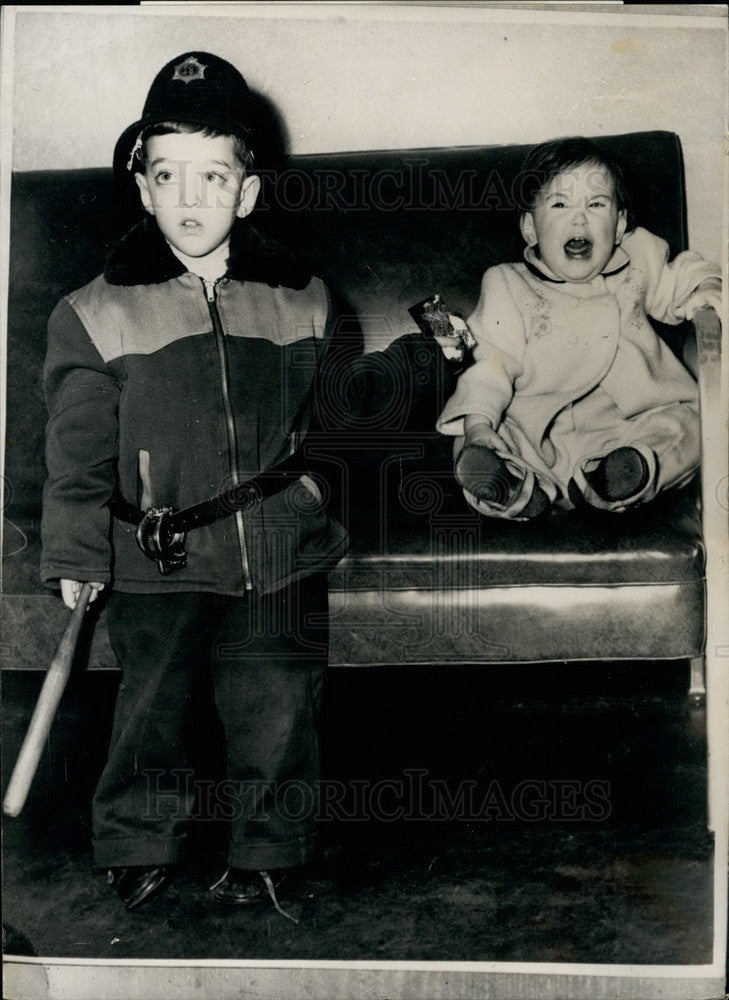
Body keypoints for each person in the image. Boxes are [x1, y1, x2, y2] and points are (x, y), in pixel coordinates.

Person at [40, 52, 464, 914]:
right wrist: (77, 553)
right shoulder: (93, 311)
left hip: (277, 545)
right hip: (156, 553)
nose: (190, 196)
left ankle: (273, 848)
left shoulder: (303, 298)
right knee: (151, 706)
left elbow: (345, 409)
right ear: (142, 188)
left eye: (214, 174)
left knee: (278, 704)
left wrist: (426, 359)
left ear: (247, 192)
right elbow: (77, 454)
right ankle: (137, 839)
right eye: (168, 174)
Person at [437, 136, 721, 520]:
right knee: (481, 442)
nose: (579, 219)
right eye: (560, 204)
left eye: (596, 204)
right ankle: (516, 489)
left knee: (692, 425)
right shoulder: (506, 282)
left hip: (627, 429)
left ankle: (621, 476)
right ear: (530, 229)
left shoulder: (638, 260)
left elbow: (682, 276)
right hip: (538, 436)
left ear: (620, 226)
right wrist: (478, 427)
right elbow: (491, 365)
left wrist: (706, 290)